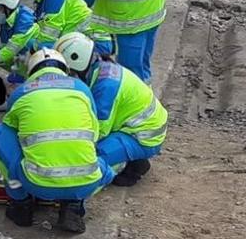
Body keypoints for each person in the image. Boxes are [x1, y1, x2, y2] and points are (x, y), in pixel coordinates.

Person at [0, 48, 114, 233]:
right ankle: (73, 205)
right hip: (86, 182)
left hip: (37, 183)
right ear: (64, 69)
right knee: (104, 167)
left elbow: (12, 130)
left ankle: (21, 205)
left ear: (32, 71)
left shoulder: (21, 92)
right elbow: (94, 134)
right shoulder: (82, 89)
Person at [56, 32, 166, 187]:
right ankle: (128, 157)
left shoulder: (106, 86)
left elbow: (99, 131)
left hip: (143, 136)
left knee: (87, 159)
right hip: (140, 129)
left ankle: (130, 167)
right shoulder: (101, 69)